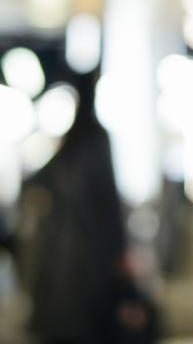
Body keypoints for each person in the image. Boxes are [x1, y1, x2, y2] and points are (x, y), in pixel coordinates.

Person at [22, 70, 153, 344]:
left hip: (60, 269)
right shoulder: (96, 140)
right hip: (93, 266)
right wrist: (122, 252)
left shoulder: (70, 145)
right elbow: (109, 205)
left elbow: (35, 184)